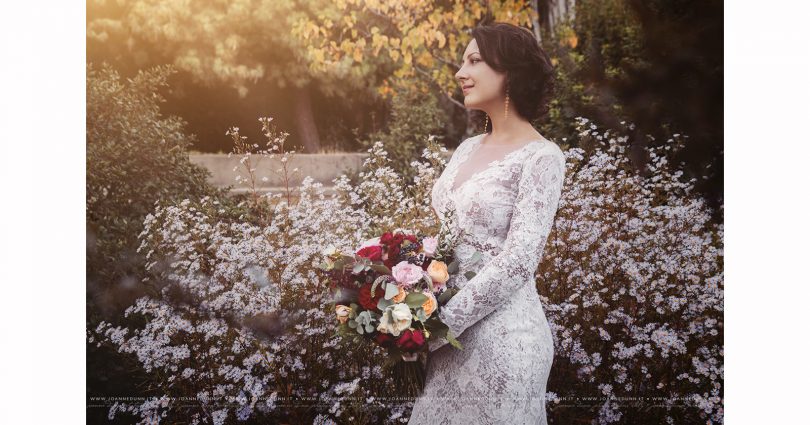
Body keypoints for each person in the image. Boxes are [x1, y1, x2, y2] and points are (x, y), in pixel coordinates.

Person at [408, 22, 565, 424]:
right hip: (444, 342)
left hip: (503, 340)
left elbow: (518, 262)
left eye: (475, 60)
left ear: (511, 72)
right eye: (462, 61)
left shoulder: (542, 158)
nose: (461, 72)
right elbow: (447, 239)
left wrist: (439, 328)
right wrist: (406, 298)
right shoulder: (465, 149)